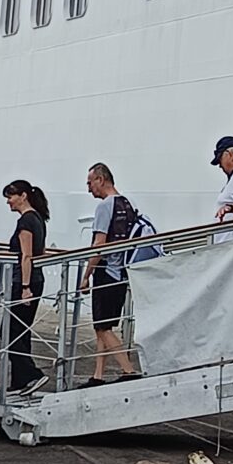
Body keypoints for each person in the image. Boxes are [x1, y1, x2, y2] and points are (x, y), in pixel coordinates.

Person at [78, 163, 141, 388]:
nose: (88, 188)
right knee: (102, 327)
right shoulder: (129, 203)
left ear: (101, 180)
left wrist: (86, 275)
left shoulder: (105, 207)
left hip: (107, 272)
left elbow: (99, 245)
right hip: (123, 271)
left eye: (90, 182)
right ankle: (98, 375)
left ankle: (128, 370)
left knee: (103, 326)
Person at [3, 180, 50, 393]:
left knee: (13, 331)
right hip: (36, 280)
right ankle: (20, 380)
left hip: (24, 282)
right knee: (22, 330)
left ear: (23, 196)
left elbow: (27, 256)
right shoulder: (38, 219)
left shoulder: (25, 222)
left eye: (10, 196)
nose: (8, 202)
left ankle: (32, 374)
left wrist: (24, 286)